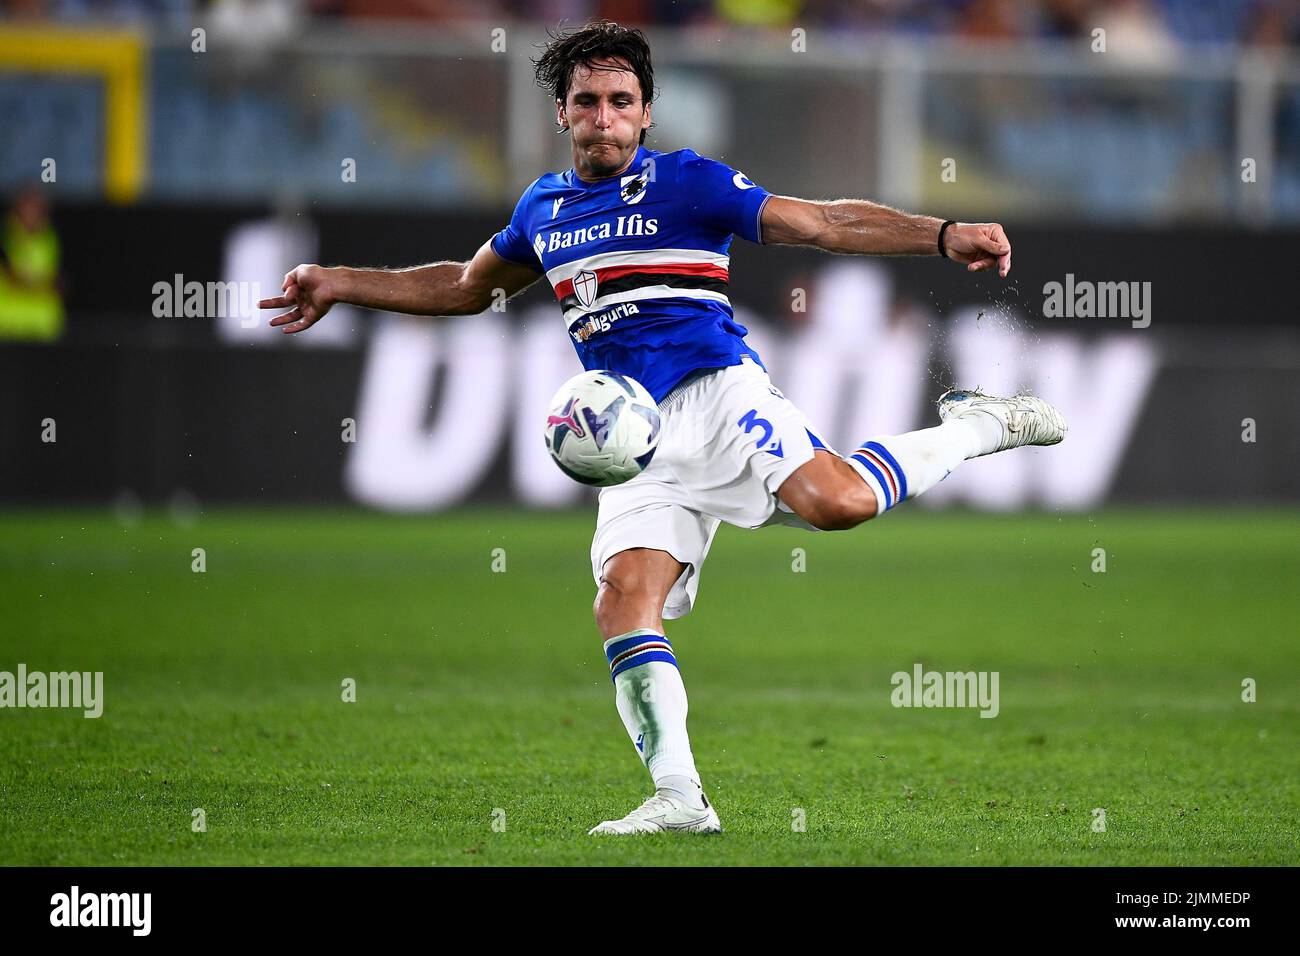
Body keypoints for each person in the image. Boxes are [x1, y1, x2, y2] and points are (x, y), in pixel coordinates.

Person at [259, 20, 1066, 835]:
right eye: (587, 102)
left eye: (621, 102)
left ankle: (977, 425)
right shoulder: (544, 209)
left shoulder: (690, 184)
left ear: (646, 114)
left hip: (717, 392)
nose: (603, 117)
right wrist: (340, 280)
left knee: (837, 505)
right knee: (623, 602)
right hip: (632, 438)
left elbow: (822, 222)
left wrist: (940, 234)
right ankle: (680, 796)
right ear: (563, 115)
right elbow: (467, 288)